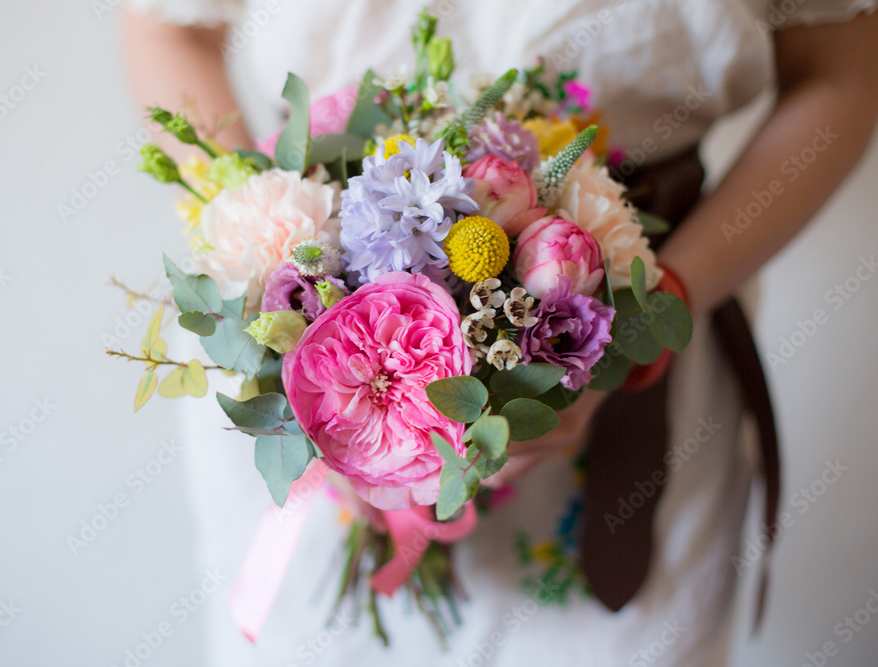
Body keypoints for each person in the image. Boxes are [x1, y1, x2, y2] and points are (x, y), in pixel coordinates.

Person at [121, 1, 878, 664]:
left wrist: (646, 324)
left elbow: (839, 70)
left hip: (630, 329)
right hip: (311, 340)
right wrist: (279, 263)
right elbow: (166, 26)